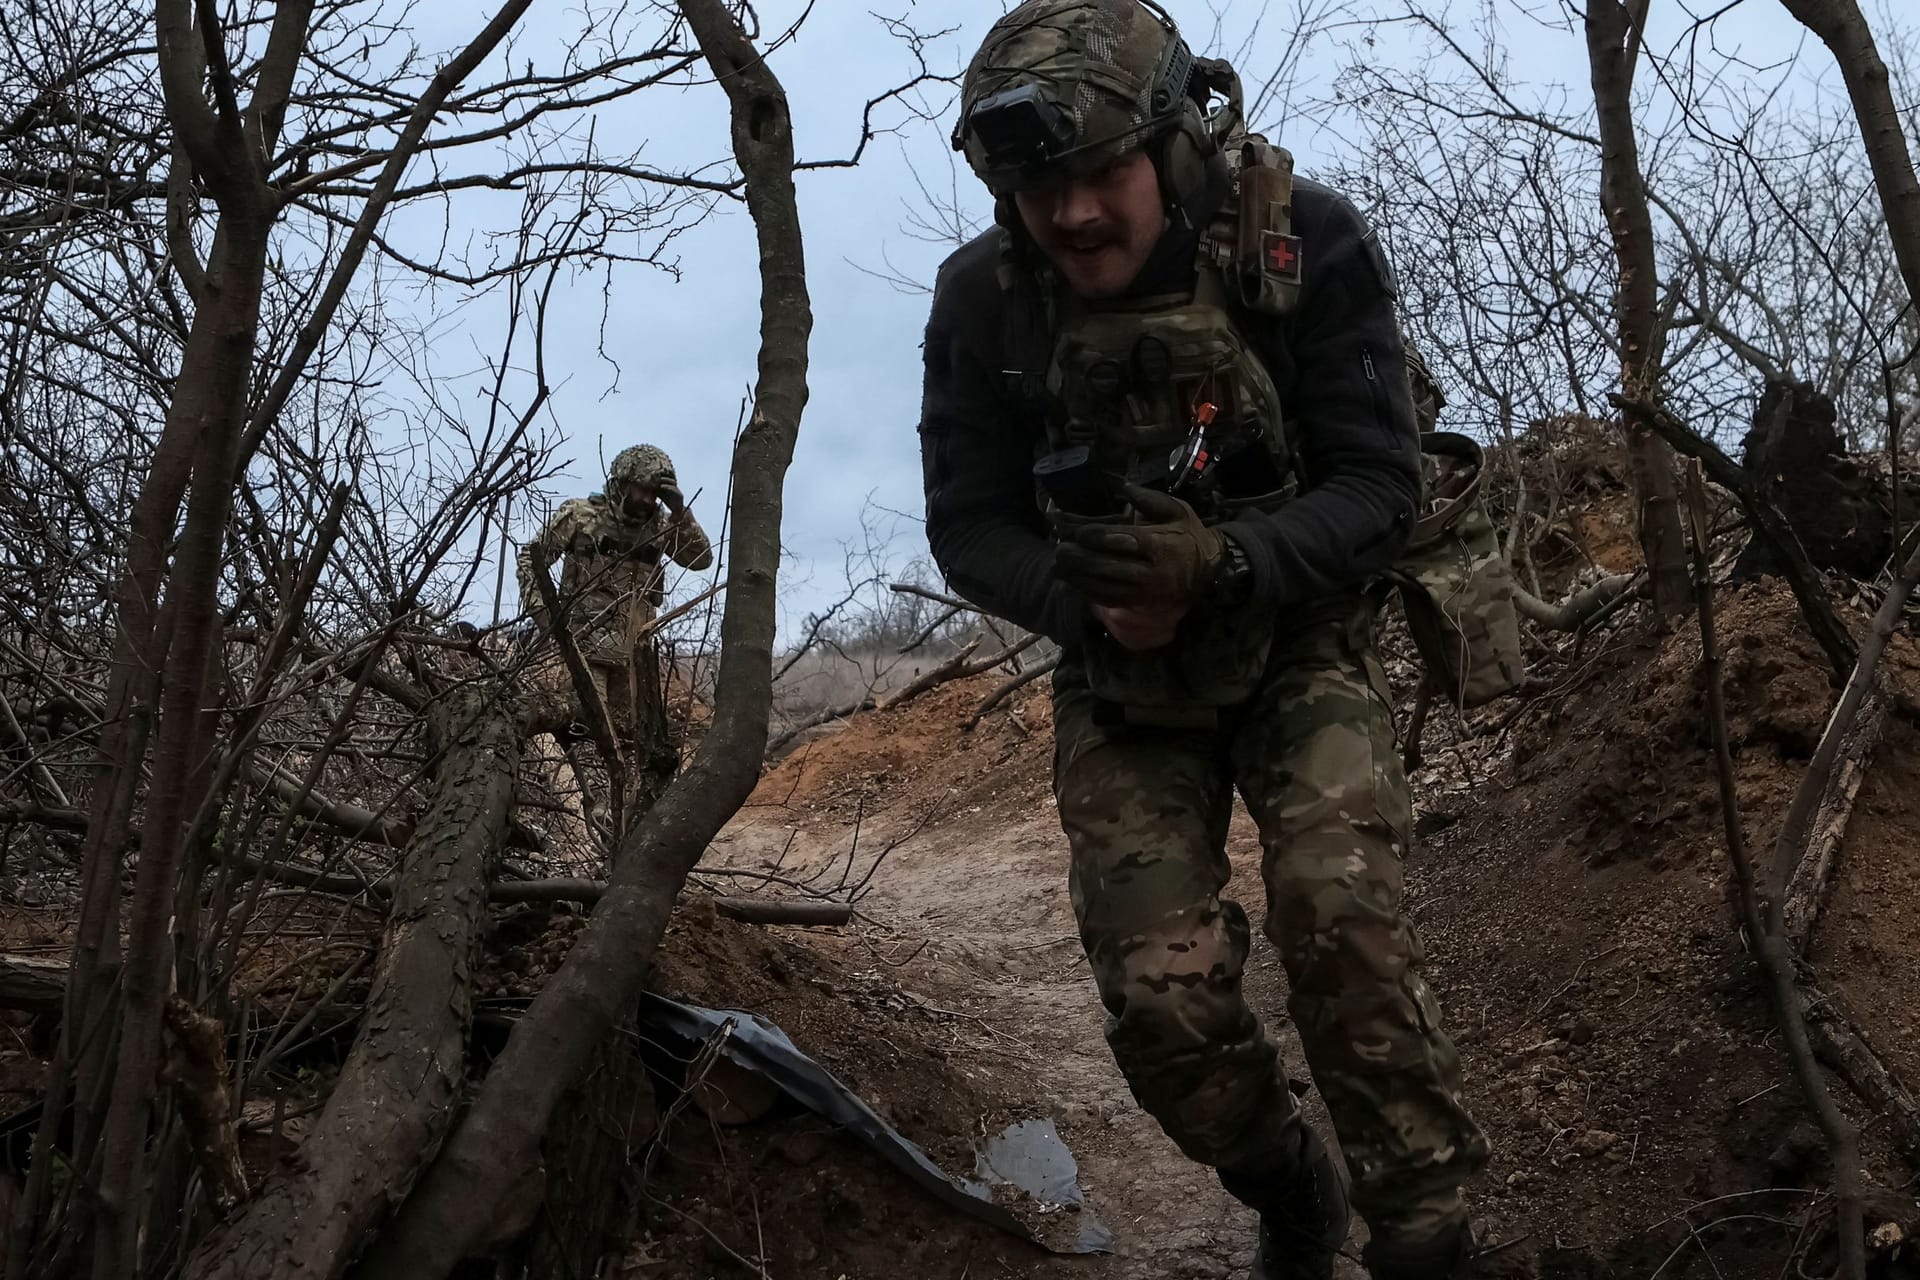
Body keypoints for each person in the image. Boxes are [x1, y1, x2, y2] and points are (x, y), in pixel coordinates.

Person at [918, 3, 1513, 1277]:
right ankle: (1291, 1188)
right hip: (1127, 677)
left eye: (1097, 173)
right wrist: (1095, 607)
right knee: (1162, 1001)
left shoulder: (1303, 242)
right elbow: (967, 526)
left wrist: (1230, 563)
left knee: (1343, 923)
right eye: (1035, 187)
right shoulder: (986, 300)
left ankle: (1426, 1238)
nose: (1070, 214)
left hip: (1298, 641)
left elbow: (1378, 484)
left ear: (1178, 148)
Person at [517, 445, 712, 818]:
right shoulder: (581, 516)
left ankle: (628, 816)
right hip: (585, 645)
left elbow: (701, 559)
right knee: (591, 726)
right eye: (642, 490)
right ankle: (594, 812)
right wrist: (545, 616)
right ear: (620, 484)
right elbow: (531, 557)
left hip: (634, 652)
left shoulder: (660, 526)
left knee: (633, 738)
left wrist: (679, 511)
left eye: (655, 493)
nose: (647, 499)